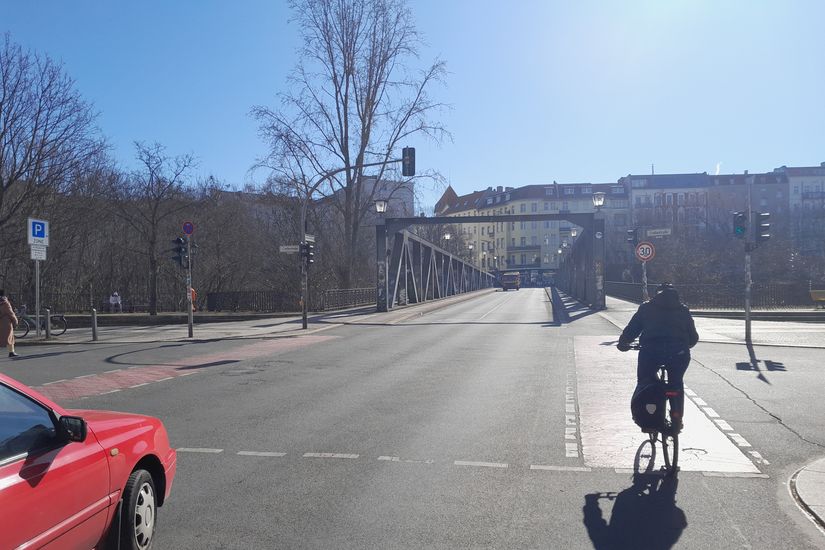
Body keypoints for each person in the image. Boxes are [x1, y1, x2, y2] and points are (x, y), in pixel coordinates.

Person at [617, 282, 699, 432]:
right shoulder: (683, 310)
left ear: (656, 295)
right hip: (678, 354)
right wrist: (683, 346)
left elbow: (632, 330)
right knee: (676, 383)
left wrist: (623, 343)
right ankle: (677, 419)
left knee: (645, 381)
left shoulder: (646, 308)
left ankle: (649, 419)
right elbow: (693, 338)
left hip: (651, 353)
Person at [0, 290, 19, 357]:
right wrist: (15, 321)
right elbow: (10, 313)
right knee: (10, 338)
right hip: (5, 323)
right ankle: (11, 352)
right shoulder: (5, 303)